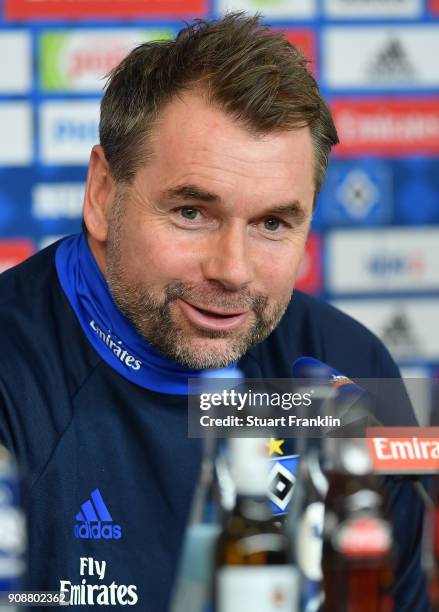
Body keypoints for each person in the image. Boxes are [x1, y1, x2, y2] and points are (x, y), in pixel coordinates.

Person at [0, 13, 429, 611]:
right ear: (102, 193)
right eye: (191, 213)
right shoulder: (11, 374)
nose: (232, 269)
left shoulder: (354, 367)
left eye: (273, 224)